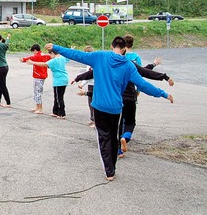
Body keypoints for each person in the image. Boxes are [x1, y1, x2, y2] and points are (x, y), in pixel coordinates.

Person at [45, 37, 173, 181]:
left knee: (104, 137)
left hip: (99, 106)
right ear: (124, 49)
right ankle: (112, 166)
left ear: (112, 46)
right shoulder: (129, 65)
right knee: (113, 137)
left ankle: (109, 171)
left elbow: (77, 55)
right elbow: (143, 85)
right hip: (115, 108)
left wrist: (56, 47)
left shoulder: (100, 56)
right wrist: (163, 94)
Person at [25, 50, 69, 119]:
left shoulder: (54, 60)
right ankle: (55, 112)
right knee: (57, 96)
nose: (50, 56)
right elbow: (67, 58)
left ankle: (61, 114)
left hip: (59, 80)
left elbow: (44, 64)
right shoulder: (62, 58)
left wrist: (32, 62)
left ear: (52, 53)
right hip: (63, 79)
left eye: (50, 55)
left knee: (59, 97)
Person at [19, 44, 51, 114]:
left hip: (38, 76)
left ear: (35, 50)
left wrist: (23, 59)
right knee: (37, 92)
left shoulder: (37, 56)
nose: (33, 53)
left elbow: (30, 58)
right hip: (43, 75)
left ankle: (40, 109)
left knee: (37, 92)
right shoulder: (45, 55)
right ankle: (37, 107)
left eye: (33, 51)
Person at [74, 45, 96, 127]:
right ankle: (92, 118)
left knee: (94, 103)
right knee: (90, 103)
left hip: (95, 84)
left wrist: (82, 83)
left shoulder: (93, 64)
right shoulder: (88, 64)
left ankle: (95, 121)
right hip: (90, 84)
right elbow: (87, 76)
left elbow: (89, 76)